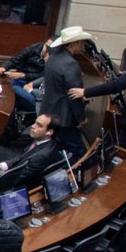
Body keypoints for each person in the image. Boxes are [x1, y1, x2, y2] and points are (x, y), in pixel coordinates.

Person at [0, 113, 62, 189]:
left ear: (49, 132)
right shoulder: (43, 140)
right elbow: (20, 158)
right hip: (14, 169)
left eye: (39, 125)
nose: (33, 126)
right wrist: (0, 166)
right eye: (35, 122)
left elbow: (17, 180)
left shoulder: (41, 156)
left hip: (8, 182)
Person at [41, 26, 92, 156]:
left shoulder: (52, 58)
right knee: (78, 152)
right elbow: (73, 94)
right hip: (64, 116)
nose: (83, 47)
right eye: (82, 43)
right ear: (74, 44)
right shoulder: (71, 64)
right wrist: (81, 118)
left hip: (48, 110)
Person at [1, 40, 46, 112]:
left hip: (38, 99)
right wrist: (4, 67)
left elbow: (43, 77)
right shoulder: (34, 48)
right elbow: (15, 59)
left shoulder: (52, 62)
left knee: (12, 88)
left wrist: (25, 77)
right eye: (46, 46)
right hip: (27, 82)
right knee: (5, 84)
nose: (46, 50)